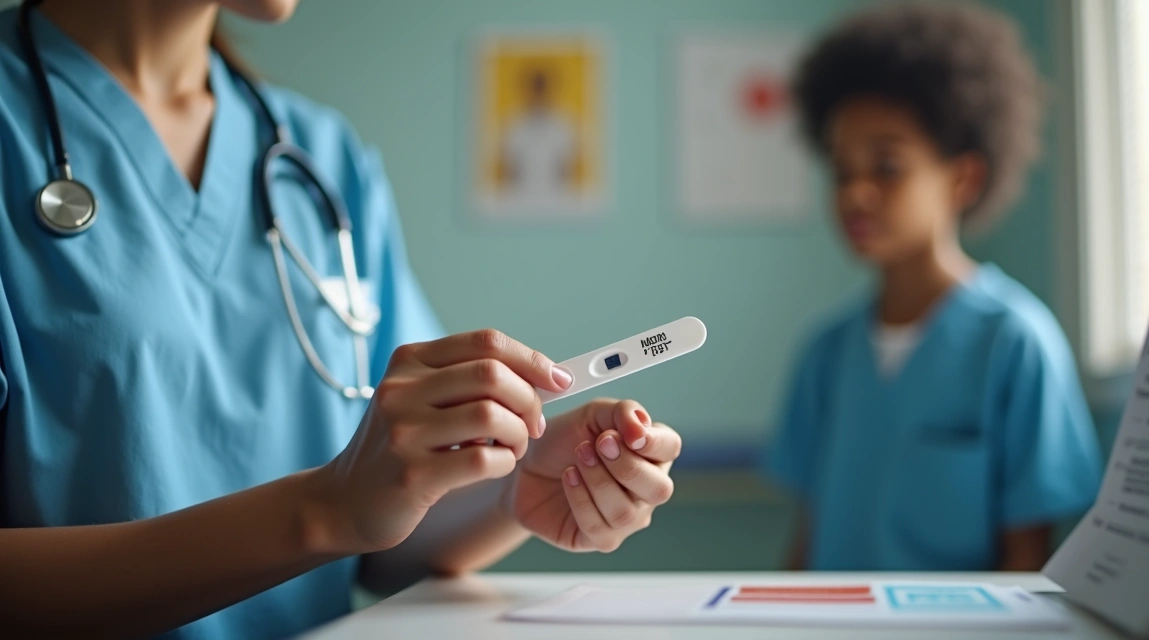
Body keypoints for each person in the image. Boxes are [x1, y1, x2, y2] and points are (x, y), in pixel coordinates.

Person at [0, 1, 681, 637]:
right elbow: (341, 511)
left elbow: (377, 530)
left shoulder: (322, 159)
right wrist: (322, 513)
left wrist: (514, 493)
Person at [766, 1, 1102, 573]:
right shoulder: (825, 353)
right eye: (842, 171)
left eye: (887, 167)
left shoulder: (1015, 343)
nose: (856, 194)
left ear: (963, 177)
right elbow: (806, 547)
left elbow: (1026, 564)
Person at [500, 67, 578, 206]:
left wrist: (564, 195)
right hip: (520, 197)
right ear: (527, 90)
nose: (539, 94)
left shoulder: (562, 123)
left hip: (555, 197)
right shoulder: (514, 121)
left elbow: (567, 166)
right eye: (535, 89)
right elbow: (508, 164)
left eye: (542, 89)